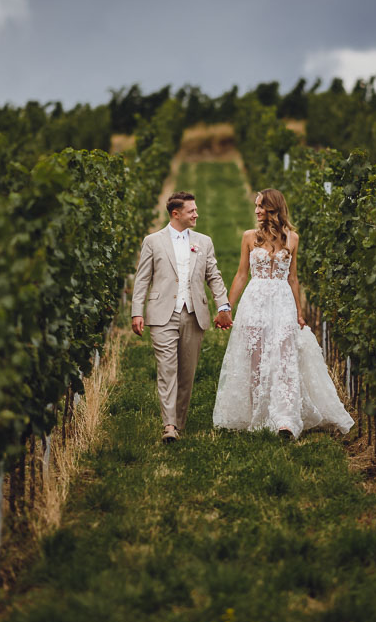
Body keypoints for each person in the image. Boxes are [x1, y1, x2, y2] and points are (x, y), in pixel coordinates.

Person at [212, 188, 354, 439]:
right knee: (256, 358)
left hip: (282, 302)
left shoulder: (293, 239)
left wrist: (299, 312)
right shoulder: (249, 237)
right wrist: (226, 307)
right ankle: (259, 413)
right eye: (256, 206)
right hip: (255, 301)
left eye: (260, 206)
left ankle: (285, 419)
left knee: (284, 357)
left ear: (273, 208)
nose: (256, 210)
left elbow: (293, 278)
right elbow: (242, 274)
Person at [131, 191, 233, 443]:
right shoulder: (153, 241)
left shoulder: (204, 242)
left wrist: (223, 305)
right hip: (162, 314)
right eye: (192, 211)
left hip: (193, 314)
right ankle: (169, 425)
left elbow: (214, 276)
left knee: (187, 372)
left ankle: (179, 421)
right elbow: (142, 279)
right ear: (176, 214)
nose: (196, 214)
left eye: (196, 210)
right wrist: (136, 312)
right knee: (167, 369)